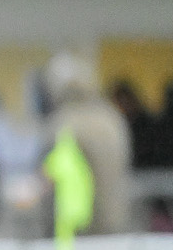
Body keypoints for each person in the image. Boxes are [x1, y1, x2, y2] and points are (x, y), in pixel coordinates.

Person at [42, 54, 132, 235]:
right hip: (115, 218)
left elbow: (52, 172)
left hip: (77, 223)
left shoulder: (65, 122)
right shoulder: (111, 118)